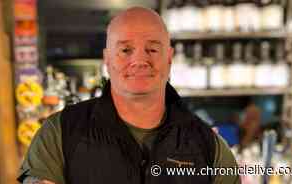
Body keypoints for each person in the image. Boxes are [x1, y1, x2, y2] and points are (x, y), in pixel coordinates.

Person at [18, 7, 240, 184]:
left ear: (169, 58)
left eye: (152, 49)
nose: (140, 60)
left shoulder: (210, 147)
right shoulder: (59, 134)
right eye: (125, 50)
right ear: (107, 59)